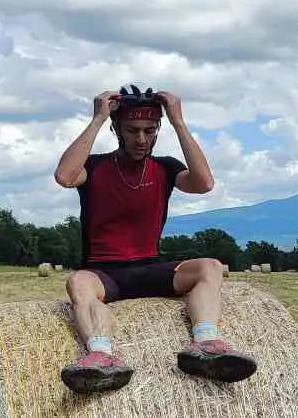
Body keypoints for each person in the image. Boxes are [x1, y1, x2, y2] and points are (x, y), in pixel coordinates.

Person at [54, 85, 257, 394]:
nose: (141, 139)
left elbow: (204, 183)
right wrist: (98, 119)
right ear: (117, 129)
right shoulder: (94, 167)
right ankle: (101, 356)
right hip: (103, 275)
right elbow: (64, 176)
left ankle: (206, 344)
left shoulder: (165, 167)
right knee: (78, 282)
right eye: (132, 130)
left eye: (149, 130)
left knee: (211, 267)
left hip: (150, 269)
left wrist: (178, 121)